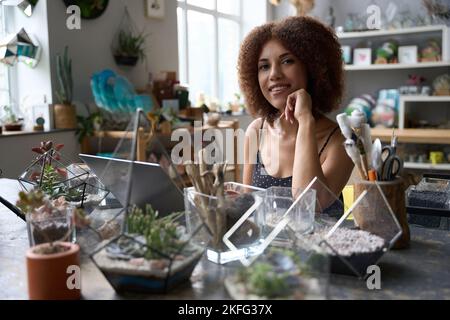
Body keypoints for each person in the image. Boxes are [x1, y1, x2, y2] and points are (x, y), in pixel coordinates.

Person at [239, 16, 354, 213]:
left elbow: (309, 204)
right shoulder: (256, 131)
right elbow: (248, 207)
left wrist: (306, 121)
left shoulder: (341, 142)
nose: (274, 74)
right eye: (264, 66)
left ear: (313, 68)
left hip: (320, 244)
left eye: (287, 61)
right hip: (267, 243)